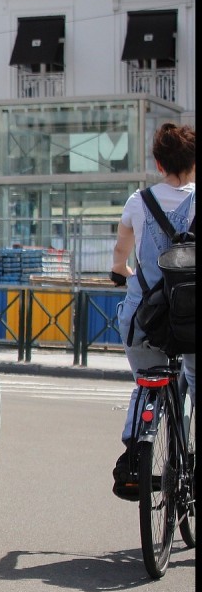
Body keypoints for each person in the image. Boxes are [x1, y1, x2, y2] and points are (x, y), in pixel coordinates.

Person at [109, 122, 196, 500]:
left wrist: (121, 273)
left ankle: (134, 455)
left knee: (147, 380)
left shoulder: (137, 202)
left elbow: (120, 254)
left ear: (158, 164)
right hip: (192, 317)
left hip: (146, 314)